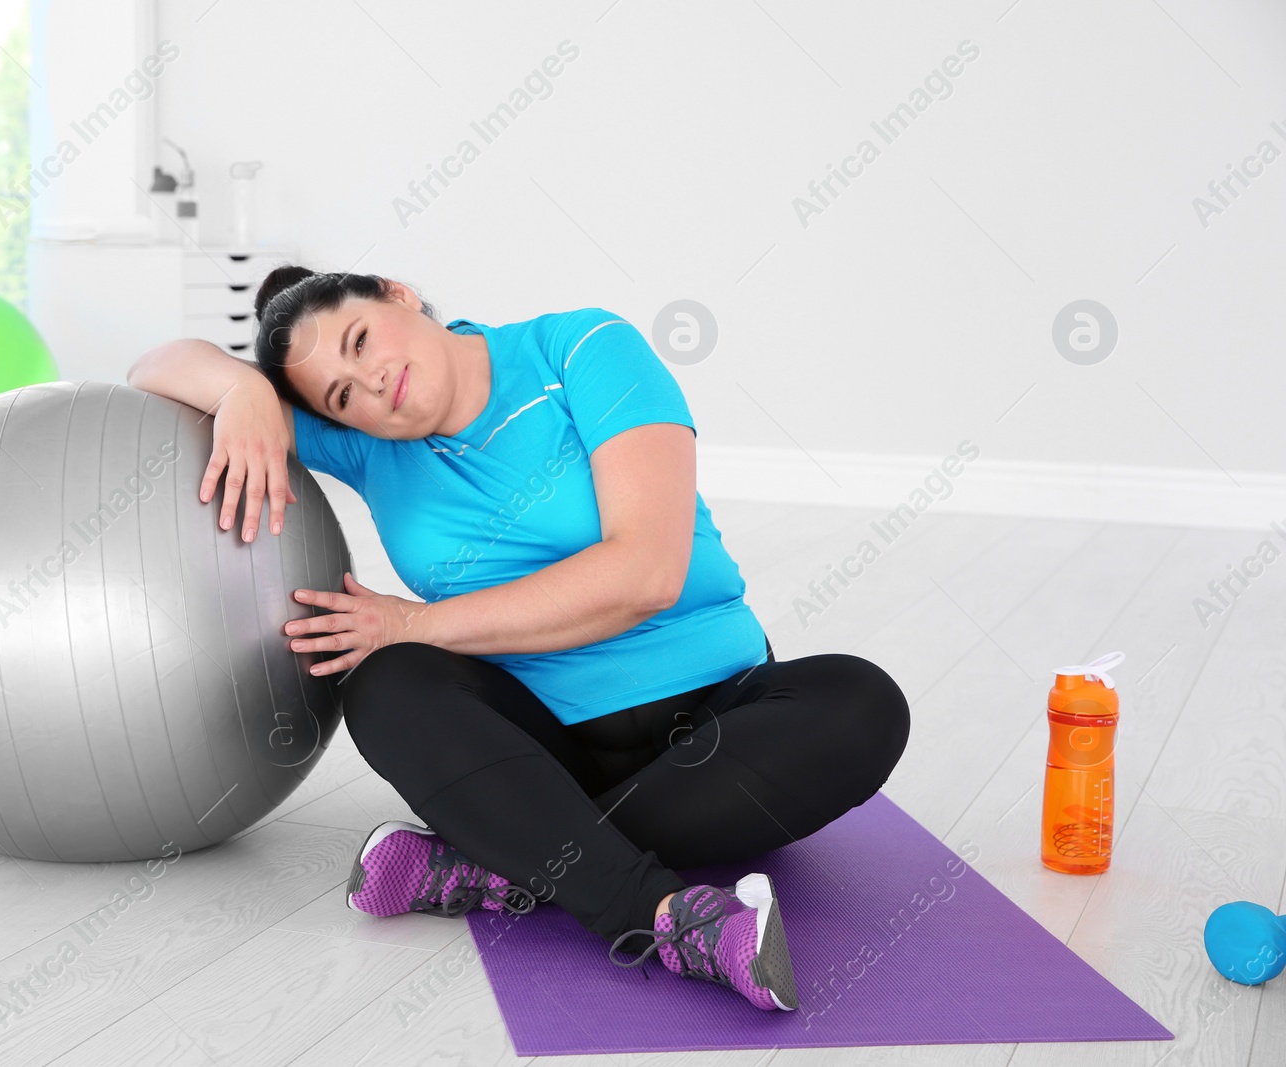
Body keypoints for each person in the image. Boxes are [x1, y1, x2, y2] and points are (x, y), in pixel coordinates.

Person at [125, 267, 911, 1013]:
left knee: (863, 702)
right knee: (382, 677)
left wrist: (417, 620)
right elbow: (152, 365)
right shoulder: (367, 438)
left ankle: (504, 861)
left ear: (401, 295)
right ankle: (668, 919)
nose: (368, 385)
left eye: (362, 340)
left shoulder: (579, 349)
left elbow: (646, 574)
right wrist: (241, 392)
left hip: (715, 723)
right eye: (339, 393)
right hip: (539, 743)